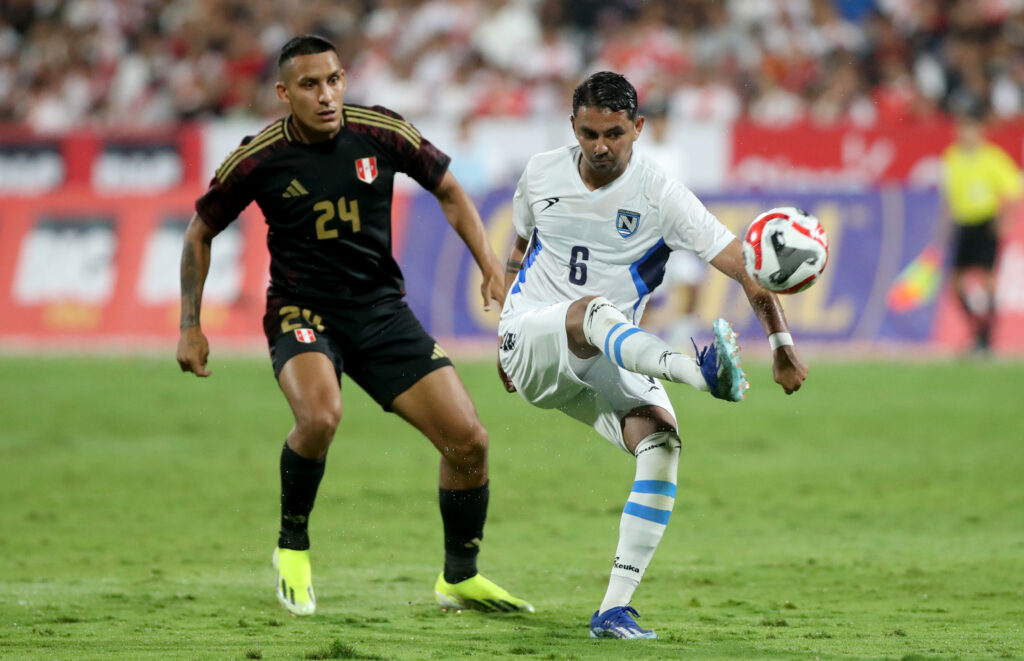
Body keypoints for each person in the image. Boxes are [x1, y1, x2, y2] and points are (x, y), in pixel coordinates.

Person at [176, 34, 532, 617]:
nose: (326, 95)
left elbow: (447, 189)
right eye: (310, 85)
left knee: (470, 442)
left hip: (381, 312)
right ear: (283, 92)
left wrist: (490, 265)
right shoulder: (258, 158)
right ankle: (292, 546)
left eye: (334, 80)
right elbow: (199, 231)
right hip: (302, 311)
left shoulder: (381, 131)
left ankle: (460, 578)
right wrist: (190, 325)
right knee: (320, 416)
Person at [497, 72, 807, 639]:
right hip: (532, 336)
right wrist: (505, 327)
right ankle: (699, 373)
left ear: (637, 128)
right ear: (572, 127)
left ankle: (613, 610)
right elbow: (519, 245)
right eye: (589, 132)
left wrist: (782, 346)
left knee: (662, 446)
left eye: (614, 133)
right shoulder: (541, 171)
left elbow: (746, 268)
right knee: (591, 310)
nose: (600, 146)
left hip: (606, 353)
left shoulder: (661, 195)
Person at [940, 108, 1022, 354]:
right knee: (955, 284)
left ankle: (988, 338)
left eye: (971, 128)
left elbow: (1015, 189)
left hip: (985, 222)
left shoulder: (992, 158)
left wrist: (1005, 219)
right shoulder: (951, 157)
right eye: (963, 128)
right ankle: (977, 332)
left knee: (988, 281)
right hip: (962, 224)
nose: (966, 133)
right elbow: (948, 196)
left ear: (980, 132)